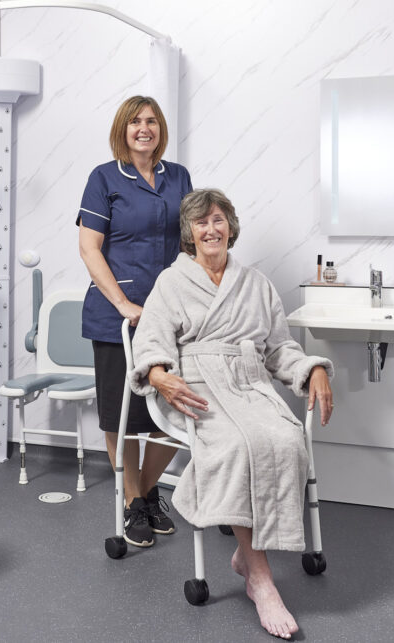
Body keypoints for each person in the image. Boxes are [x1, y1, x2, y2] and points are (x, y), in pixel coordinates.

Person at [129, 188, 335, 640]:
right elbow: (151, 342)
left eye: (218, 220)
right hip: (195, 387)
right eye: (201, 223)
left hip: (249, 382)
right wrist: (160, 376)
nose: (210, 229)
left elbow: (280, 348)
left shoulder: (255, 283)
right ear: (190, 232)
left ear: (230, 227)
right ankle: (260, 579)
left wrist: (313, 368)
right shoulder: (171, 282)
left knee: (284, 440)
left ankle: (245, 554)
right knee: (235, 446)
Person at [76, 96, 194, 548]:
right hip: (116, 316)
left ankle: (144, 494)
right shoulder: (104, 178)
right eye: (135, 122)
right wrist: (123, 302)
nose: (144, 128)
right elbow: (89, 249)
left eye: (151, 121)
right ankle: (131, 503)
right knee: (121, 417)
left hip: (168, 312)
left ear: (160, 129)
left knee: (176, 406)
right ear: (122, 130)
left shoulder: (178, 176)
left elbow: (190, 240)